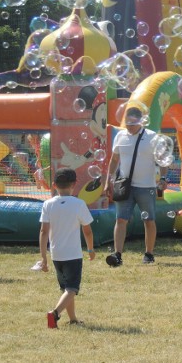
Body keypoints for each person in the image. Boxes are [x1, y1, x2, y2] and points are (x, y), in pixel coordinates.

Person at [103, 107, 160, 266]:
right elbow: (114, 160)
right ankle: (117, 254)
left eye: (133, 124)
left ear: (140, 122)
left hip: (146, 186)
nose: (129, 126)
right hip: (125, 185)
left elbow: (162, 160)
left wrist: (163, 177)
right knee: (121, 219)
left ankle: (149, 253)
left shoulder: (152, 137)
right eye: (127, 123)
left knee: (149, 220)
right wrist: (109, 179)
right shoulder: (120, 136)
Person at [39, 168, 95, 328]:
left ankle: (73, 319)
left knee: (66, 288)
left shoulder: (48, 204)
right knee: (72, 288)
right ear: (74, 184)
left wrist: (43, 257)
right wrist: (90, 249)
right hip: (73, 255)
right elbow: (88, 231)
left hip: (56, 254)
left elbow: (43, 232)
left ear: (54, 185)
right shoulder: (79, 204)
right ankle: (55, 313)